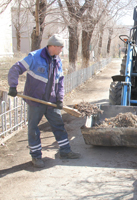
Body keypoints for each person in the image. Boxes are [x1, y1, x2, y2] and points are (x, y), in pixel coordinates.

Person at [8, 34, 81, 168]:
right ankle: (36, 157)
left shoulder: (57, 61)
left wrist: (59, 99)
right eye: (60, 47)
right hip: (35, 101)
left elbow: (60, 82)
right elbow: (15, 68)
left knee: (58, 125)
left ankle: (65, 151)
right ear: (52, 46)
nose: (61, 51)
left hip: (51, 102)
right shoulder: (34, 57)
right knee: (33, 128)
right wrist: (13, 86)